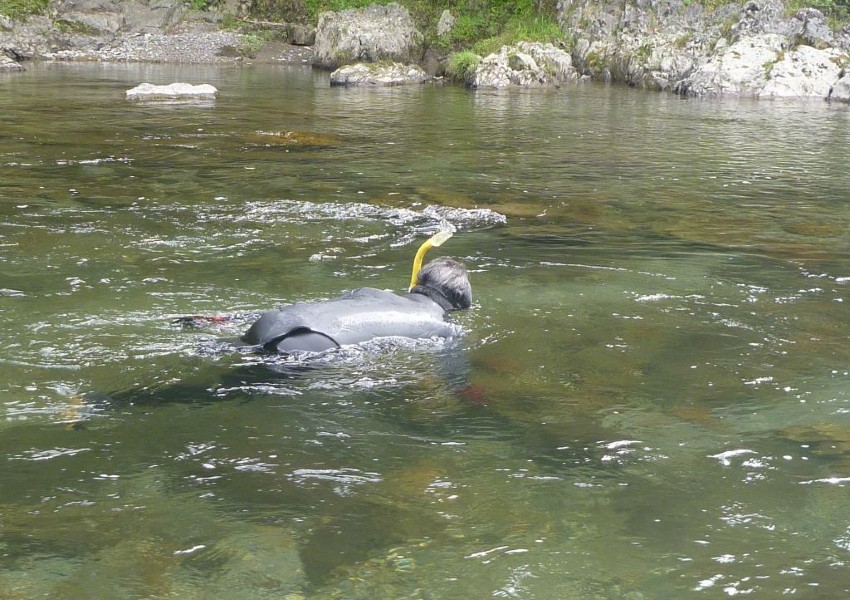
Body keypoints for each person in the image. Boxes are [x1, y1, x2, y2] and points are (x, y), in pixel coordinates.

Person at [239, 256, 472, 354]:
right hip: (308, 347)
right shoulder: (445, 329)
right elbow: (453, 382)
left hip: (272, 321)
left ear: (418, 281)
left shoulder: (366, 292)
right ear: (458, 306)